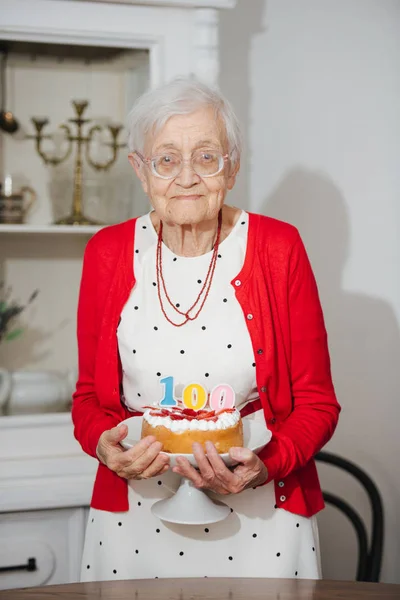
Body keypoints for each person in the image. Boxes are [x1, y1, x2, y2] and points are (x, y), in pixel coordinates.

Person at [72, 77, 340, 582]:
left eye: (207, 156)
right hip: (135, 518)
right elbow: (88, 398)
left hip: (262, 518)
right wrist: (103, 447)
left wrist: (268, 464)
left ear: (232, 166)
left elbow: (318, 403)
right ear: (140, 170)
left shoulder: (278, 248)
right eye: (167, 159)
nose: (187, 176)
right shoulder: (106, 252)